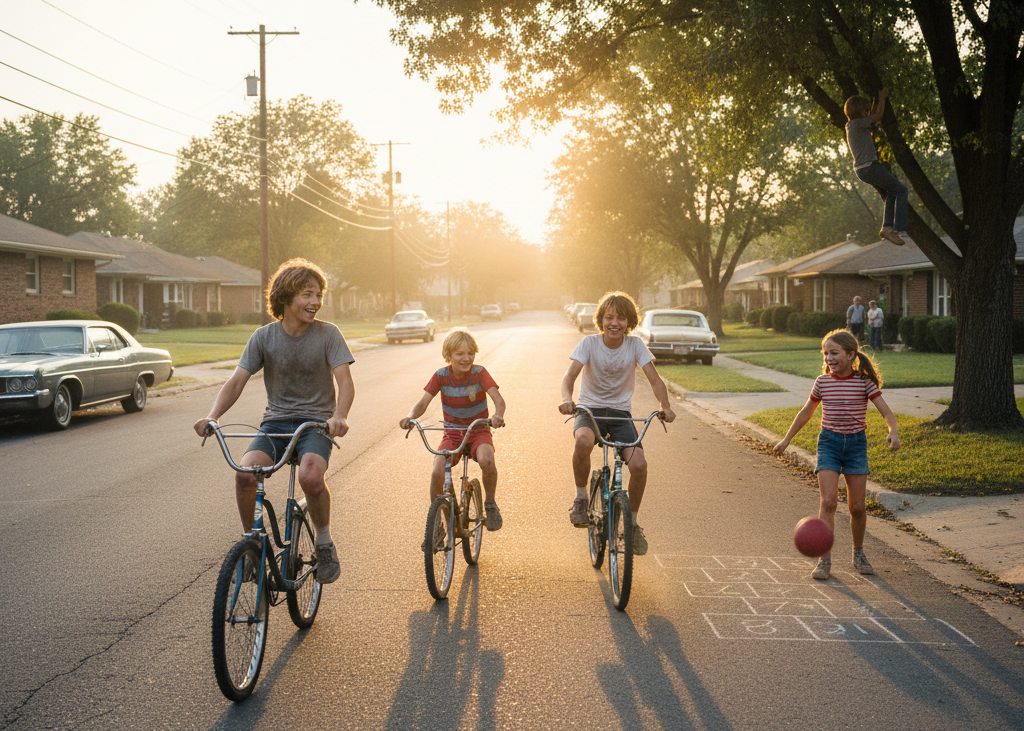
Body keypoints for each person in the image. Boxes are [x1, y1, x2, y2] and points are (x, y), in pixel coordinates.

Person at [193, 258, 354, 584]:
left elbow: (345, 382)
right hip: (275, 424)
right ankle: (252, 543)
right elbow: (236, 381)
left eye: (319, 294)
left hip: (315, 425)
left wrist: (339, 416)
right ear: (286, 296)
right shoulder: (263, 337)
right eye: (307, 294)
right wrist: (213, 415)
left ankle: (323, 541)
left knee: (310, 477)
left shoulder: (328, 334)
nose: (315, 302)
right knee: (244, 476)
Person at [772, 329, 900, 580]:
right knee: (828, 502)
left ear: (851, 355)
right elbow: (806, 412)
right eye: (826, 353)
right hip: (828, 443)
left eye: (834, 353)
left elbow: (886, 411)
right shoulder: (822, 382)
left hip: (855, 446)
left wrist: (893, 431)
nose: (829, 358)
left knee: (858, 507)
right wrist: (787, 439)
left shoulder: (864, 382)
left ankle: (858, 553)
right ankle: (824, 558)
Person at [558, 291, 677, 556]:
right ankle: (580, 499)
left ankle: (632, 524)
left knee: (640, 465)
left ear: (629, 321)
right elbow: (569, 377)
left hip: (621, 414)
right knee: (582, 441)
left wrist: (665, 406)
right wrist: (567, 399)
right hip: (589, 410)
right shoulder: (588, 343)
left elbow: (655, 380)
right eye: (609, 317)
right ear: (601, 319)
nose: (615, 323)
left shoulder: (635, 346)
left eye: (621, 318)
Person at [400, 327, 505, 537]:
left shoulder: (480, 373)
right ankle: (437, 523)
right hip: (453, 433)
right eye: (460, 354)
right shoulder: (440, 376)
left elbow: (498, 400)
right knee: (437, 471)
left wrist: (497, 415)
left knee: (487, 461)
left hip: (478, 430)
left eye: (470, 353)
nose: (466, 358)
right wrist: (411, 417)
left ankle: (491, 503)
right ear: (449, 356)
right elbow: (423, 403)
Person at [844, 88, 908, 246]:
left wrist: (873, 104)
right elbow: (877, 116)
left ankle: (886, 228)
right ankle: (899, 229)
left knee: (890, 194)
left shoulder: (851, 125)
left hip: (861, 170)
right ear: (861, 112)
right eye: (866, 110)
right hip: (870, 167)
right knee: (901, 190)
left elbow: (872, 116)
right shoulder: (860, 122)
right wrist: (882, 98)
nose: (869, 112)